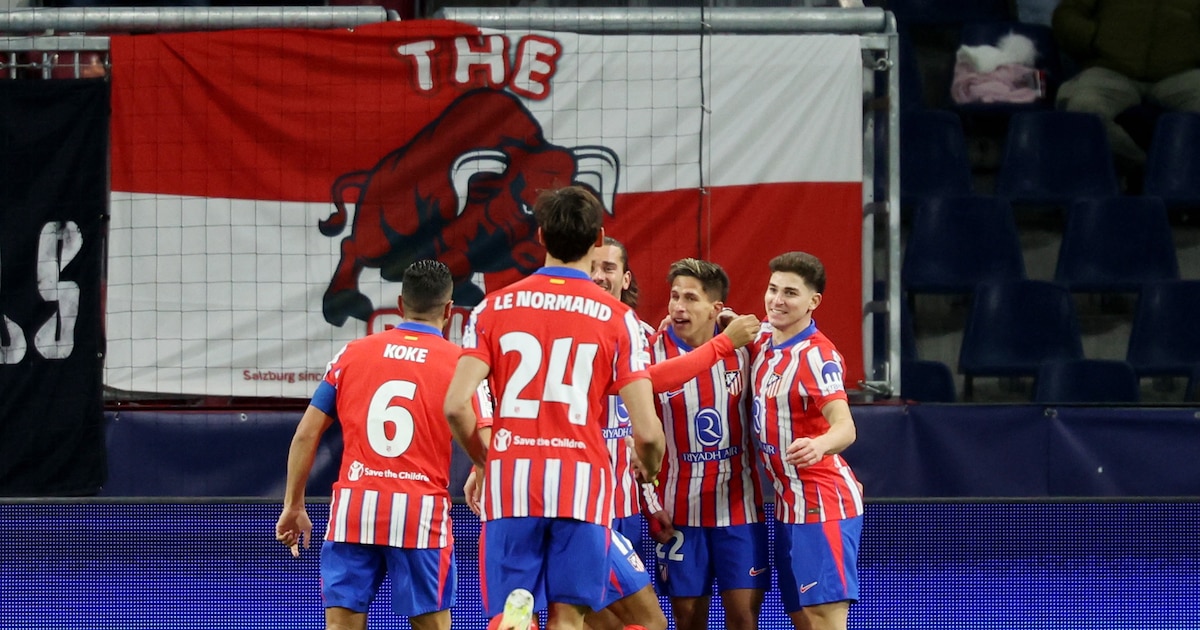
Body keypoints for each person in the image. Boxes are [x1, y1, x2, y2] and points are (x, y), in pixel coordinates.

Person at [442, 185, 667, 630]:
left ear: (541, 235)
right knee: (570, 618)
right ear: (599, 238)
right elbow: (648, 433)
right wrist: (651, 467)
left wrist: (485, 460)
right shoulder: (617, 318)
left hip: (512, 482)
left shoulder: (492, 308)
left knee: (510, 614)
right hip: (582, 485)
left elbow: (455, 405)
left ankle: (517, 615)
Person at [275, 259, 464, 630]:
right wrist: (478, 469)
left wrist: (293, 504)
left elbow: (306, 434)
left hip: (354, 509)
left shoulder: (352, 353)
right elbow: (477, 433)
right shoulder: (459, 363)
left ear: (399, 304)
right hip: (418, 511)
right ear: (449, 310)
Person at [644, 258, 769, 630]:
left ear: (716, 308)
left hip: (739, 511)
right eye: (674, 297)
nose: (679, 307)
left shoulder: (747, 350)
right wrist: (650, 503)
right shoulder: (650, 352)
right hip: (678, 513)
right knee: (686, 619)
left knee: (745, 618)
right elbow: (636, 440)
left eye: (691, 298)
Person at [747, 252, 864, 630]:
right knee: (801, 616)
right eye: (772, 289)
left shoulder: (817, 357)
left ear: (814, 302)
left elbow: (846, 427)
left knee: (823, 618)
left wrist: (819, 444)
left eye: (790, 293)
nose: (777, 300)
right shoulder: (766, 337)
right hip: (787, 504)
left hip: (821, 501)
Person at [1052, 0, 1200, 177]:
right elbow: (1067, 14)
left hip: (1181, 72)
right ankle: (1146, 172)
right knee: (1083, 110)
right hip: (1110, 69)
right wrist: (1094, 38)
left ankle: (1176, 178)